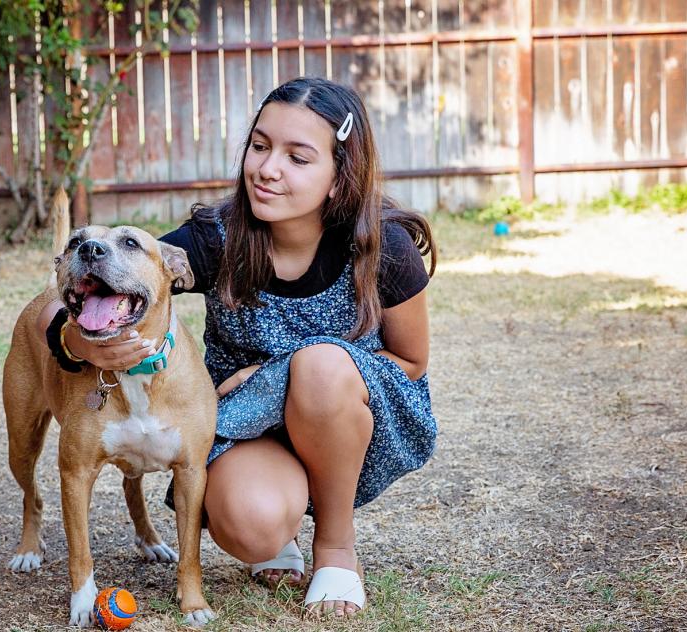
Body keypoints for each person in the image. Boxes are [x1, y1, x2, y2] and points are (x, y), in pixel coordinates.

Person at [37, 76, 437, 618]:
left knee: (318, 367)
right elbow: (58, 304)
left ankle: (336, 546)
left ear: (341, 179)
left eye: (298, 157)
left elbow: (411, 362)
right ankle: (283, 523)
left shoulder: (382, 247)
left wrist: (279, 376)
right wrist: (78, 339)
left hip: (348, 416)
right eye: (260, 146)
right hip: (248, 429)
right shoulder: (216, 238)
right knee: (250, 525)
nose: (268, 168)